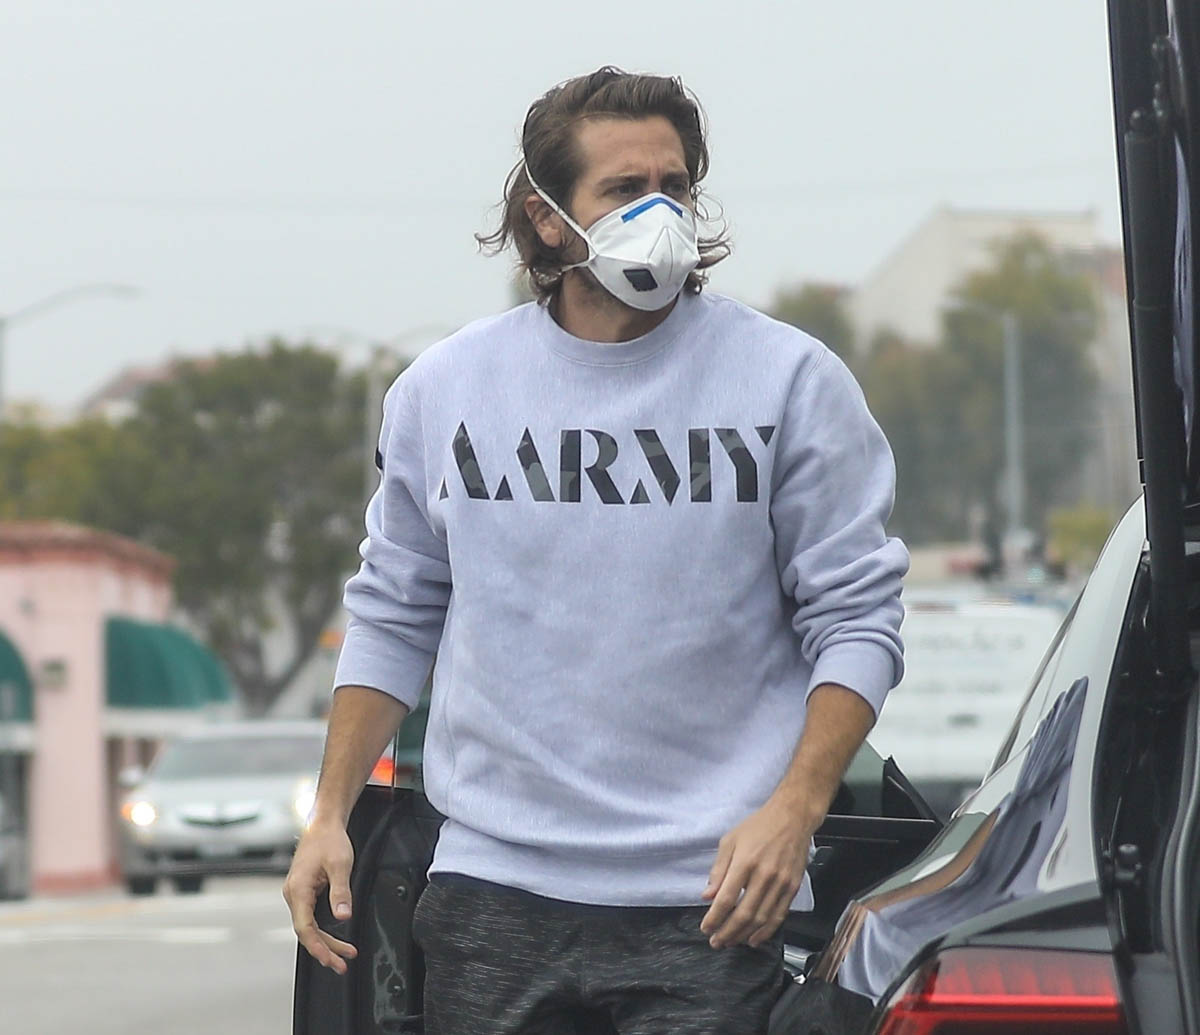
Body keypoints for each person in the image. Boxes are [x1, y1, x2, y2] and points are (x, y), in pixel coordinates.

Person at [284, 66, 908, 1035]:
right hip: (493, 891)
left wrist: (795, 811)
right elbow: (394, 612)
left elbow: (859, 619)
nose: (660, 212)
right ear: (545, 219)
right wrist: (327, 814)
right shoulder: (445, 392)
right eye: (624, 191)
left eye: (676, 188)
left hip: (713, 901)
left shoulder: (789, 383)